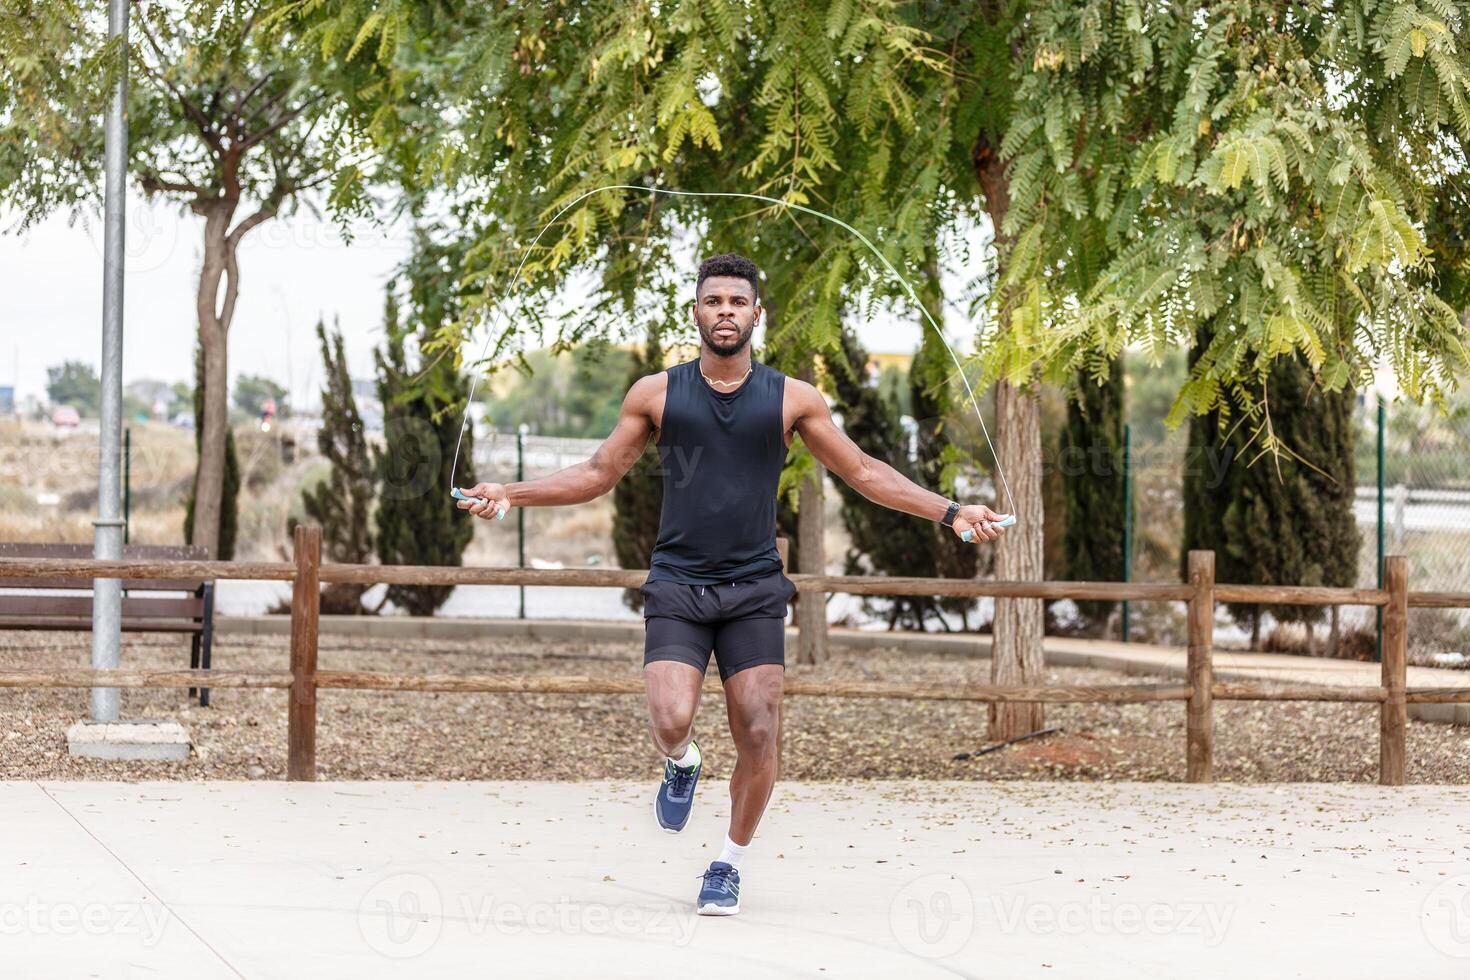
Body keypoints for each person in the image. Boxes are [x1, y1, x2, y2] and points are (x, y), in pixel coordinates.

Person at [456, 252, 1009, 916]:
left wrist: (950, 512)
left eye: (736, 302)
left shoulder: (792, 399)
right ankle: (682, 763)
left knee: (758, 728)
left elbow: (862, 471)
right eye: (713, 300)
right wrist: (509, 493)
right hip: (679, 584)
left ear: (756, 314)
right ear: (696, 311)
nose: (725, 311)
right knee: (670, 720)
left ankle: (727, 862)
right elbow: (599, 472)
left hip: (752, 587)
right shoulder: (655, 394)